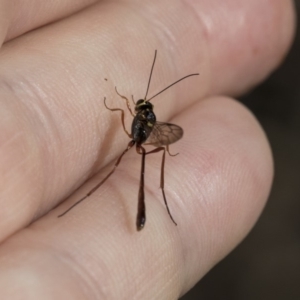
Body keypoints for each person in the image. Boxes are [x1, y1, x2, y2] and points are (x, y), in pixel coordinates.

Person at [0, 0, 295, 298]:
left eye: (141, 106)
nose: (141, 106)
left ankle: (117, 197)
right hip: (141, 145)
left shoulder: (142, 121)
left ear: (143, 112)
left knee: (115, 167)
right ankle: (150, 197)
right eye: (142, 106)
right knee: (147, 155)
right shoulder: (145, 119)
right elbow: (154, 131)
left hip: (137, 146)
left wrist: (122, 108)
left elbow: (136, 122)